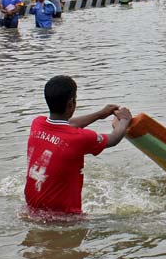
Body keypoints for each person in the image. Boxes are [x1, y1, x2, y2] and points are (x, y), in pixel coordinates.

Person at [24, 75, 132, 214]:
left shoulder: (37, 124)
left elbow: (67, 125)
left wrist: (100, 114)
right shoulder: (79, 138)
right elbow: (114, 138)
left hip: (31, 210)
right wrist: (124, 120)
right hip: (65, 219)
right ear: (71, 104)